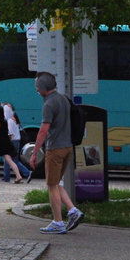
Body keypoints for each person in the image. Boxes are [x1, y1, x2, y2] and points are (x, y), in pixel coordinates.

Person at [29, 71, 84, 233]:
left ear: (43, 87)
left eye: (37, 86)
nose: (36, 89)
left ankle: (58, 222)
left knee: (51, 185)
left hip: (55, 149)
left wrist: (34, 153)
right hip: (68, 147)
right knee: (56, 183)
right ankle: (73, 211)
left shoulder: (48, 104)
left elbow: (43, 131)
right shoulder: (63, 99)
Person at [0, 103, 27, 183]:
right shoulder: (10, 120)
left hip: (3, 142)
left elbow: (2, 132)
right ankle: (17, 176)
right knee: (10, 161)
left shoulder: (5, 120)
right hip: (8, 142)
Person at [1, 101, 33, 183]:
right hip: (16, 141)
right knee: (13, 161)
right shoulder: (15, 120)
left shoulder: (10, 121)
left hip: (12, 142)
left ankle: (7, 177)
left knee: (8, 160)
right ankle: (26, 173)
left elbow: (10, 134)